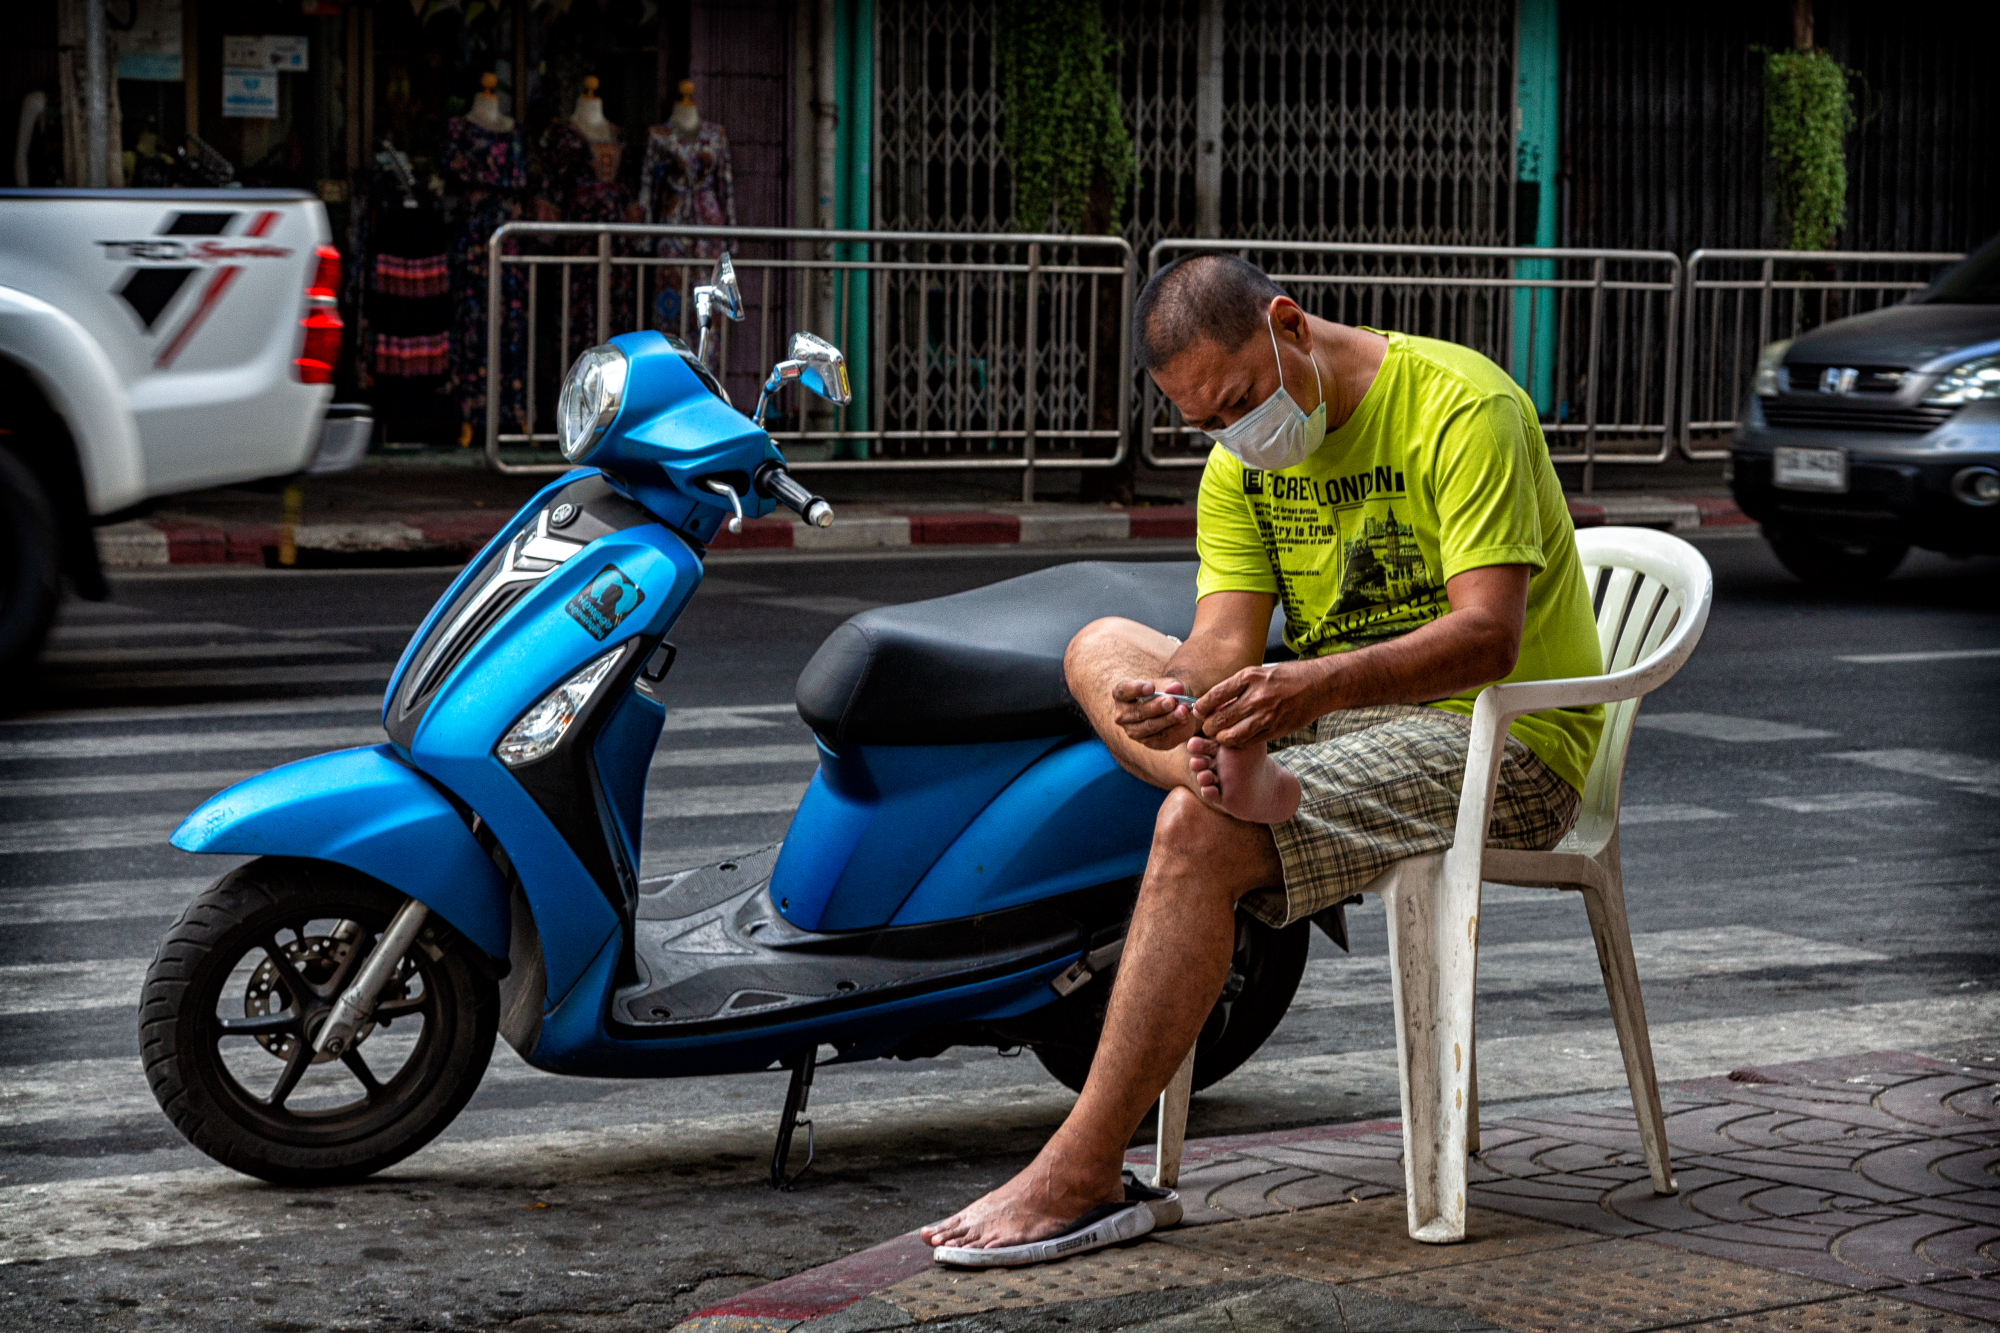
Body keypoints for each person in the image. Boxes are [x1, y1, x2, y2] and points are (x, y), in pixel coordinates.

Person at [922, 253, 1605, 1263]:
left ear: (1286, 324)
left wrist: (1307, 688)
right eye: (1204, 424)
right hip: (1343, 721)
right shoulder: (1239, 467)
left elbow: (1485, 639)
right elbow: (1220, 648)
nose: (1233, 434)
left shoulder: (1462, 406)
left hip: (1499, 738)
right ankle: (1219, 769)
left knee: (1195, 832)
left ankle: (1083, 1167)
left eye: (1239, 401)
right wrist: (1169, 697)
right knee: (1097, 647)